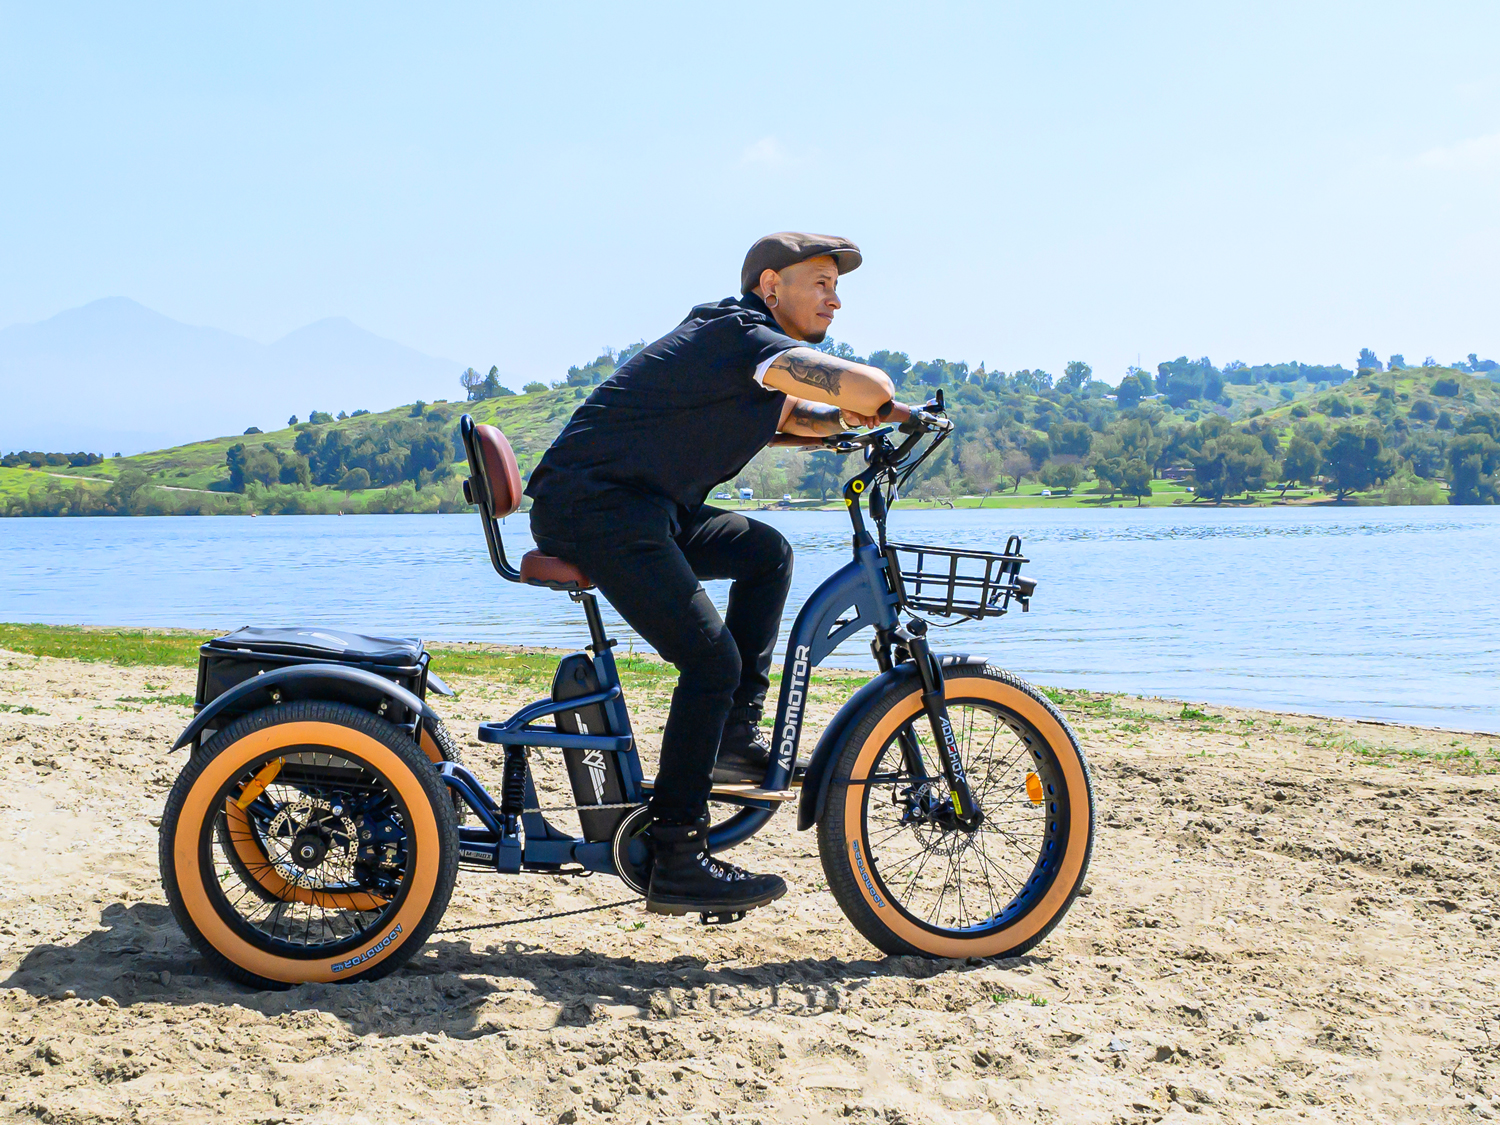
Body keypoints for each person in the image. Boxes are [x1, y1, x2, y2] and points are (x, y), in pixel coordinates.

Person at [525, 232, 905, 917]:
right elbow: (869, 387)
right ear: (769, 285)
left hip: (642, 510)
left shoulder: (746, 355)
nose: (835, 298)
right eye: (819, 283)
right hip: (601, 510)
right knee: (711, 662)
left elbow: (793, 417)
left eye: (836, 286)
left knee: (766, 552)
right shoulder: (743, 338)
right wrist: (876, 401)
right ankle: (677, 853)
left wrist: (842, 422)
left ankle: (732, 739)